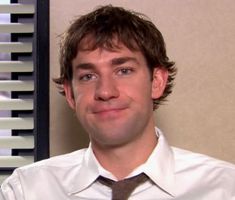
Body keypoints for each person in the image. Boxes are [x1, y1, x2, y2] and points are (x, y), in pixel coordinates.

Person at [1, 5, 235, 200]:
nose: (105, 91)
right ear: (71, 94)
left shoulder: (225, 188)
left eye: (123, 71)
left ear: (156, 81)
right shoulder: (25, 191)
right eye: (88, 76)